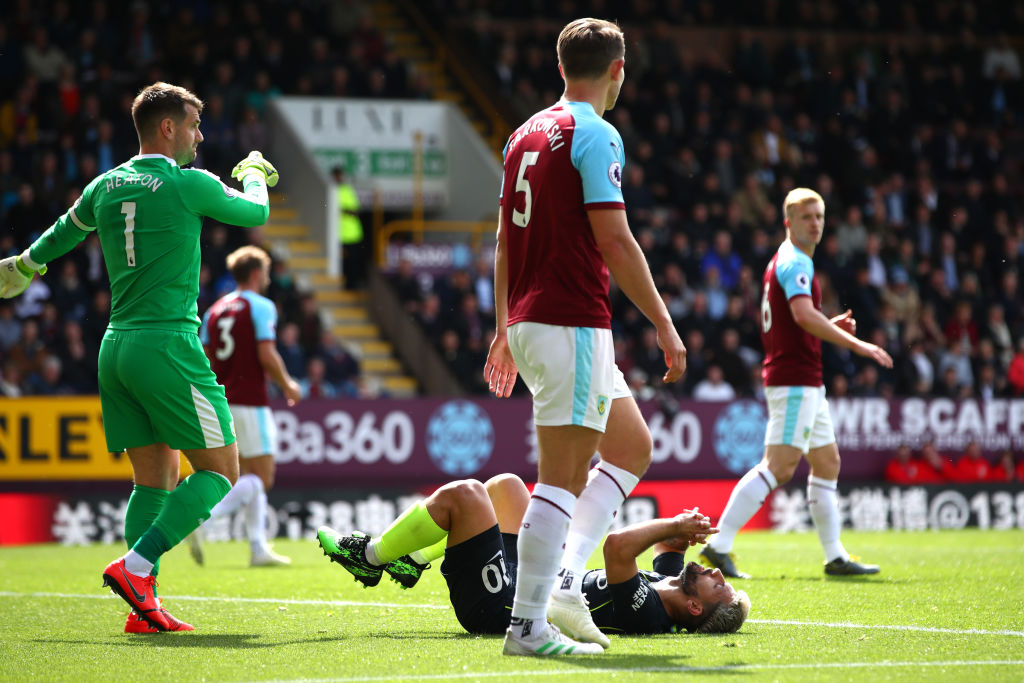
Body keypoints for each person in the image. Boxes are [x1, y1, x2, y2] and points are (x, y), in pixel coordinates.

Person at [0, 82, 279, 632]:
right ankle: (136, 567)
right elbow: (254, 215)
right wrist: (253, 173)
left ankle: (143, 608)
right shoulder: (185, 182)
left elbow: (63, 233)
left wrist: (24, 265)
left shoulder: (105, 184)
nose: (200, 137)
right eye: (194, 126)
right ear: (168, 128)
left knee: (154, 481)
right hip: (167, 344)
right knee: (222, 471)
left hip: (116, 348)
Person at [482, 18, 688, 656]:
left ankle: (566, 583)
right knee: (562, 479)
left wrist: (502, 327)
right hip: (569, 319)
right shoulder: (596, 134)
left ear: (561, 65)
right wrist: (663, 319)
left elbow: (502, 242)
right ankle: (528, 627)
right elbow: (615, 239)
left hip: (537, 318)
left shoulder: (525, 132)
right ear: (618, 70)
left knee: (631, 446)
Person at [699, 188, 893, 579]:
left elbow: (795, 320)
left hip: (805, 378)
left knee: (827, 461)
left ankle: (835, 555)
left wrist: (830, 326)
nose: (816, 223)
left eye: (820, 216)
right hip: (794, 380)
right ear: (788, 221)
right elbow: (803, 316)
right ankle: (719, 544)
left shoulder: (786, 262)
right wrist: (856, 344)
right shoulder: (794, 263)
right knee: (779, 466)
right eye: (807, 217)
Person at [316, 474, 749, 640]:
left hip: (501, 605)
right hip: (524, 577)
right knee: (507, 487)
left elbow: (616, 546)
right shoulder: (672, 584)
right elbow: (668, 550)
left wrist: (674, 525)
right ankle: (411, 561)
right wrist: (687, 531)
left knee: (464, 496)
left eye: (719, 584)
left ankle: (370, 558)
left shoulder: (650, 613)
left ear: (695, 607)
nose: (714, 570)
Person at [190, 245, 302, 567]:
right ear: (256, 274)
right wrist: (288, 385)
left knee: (241, 476)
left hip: (221, 402)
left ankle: (257, 549)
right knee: (261, 478)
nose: (267, 279)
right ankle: (201, 519)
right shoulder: (261, 306)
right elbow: (266, 354)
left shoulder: (214, 311)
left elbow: (205, 360)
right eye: (265, 272)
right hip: (250, 402)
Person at [331, 165, 365, 290]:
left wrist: (342, 211)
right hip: (339, 235)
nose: (338, 177)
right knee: (342, 263)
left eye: (340, 175)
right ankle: (346, 284)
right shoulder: (331, 190)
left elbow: (355, 211)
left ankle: (352, 285)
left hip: (352, 234)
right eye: (336, 175)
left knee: (353, 262)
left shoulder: (347, 190)